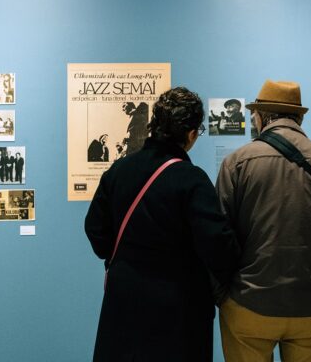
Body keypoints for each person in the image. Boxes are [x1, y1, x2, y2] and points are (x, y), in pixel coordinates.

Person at [85, 86, 240, 362]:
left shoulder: (119, 170)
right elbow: (218, 246)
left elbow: (95, 229)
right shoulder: (191, 179)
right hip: (178, 303)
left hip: (124, 296)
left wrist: (121, 259)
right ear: (191, 135)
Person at [216, 80, 311, 362]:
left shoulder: (237, 162)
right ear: (300, 117)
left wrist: (224, 295)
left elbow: (219, 235)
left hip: (248, 306)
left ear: (262, 116)